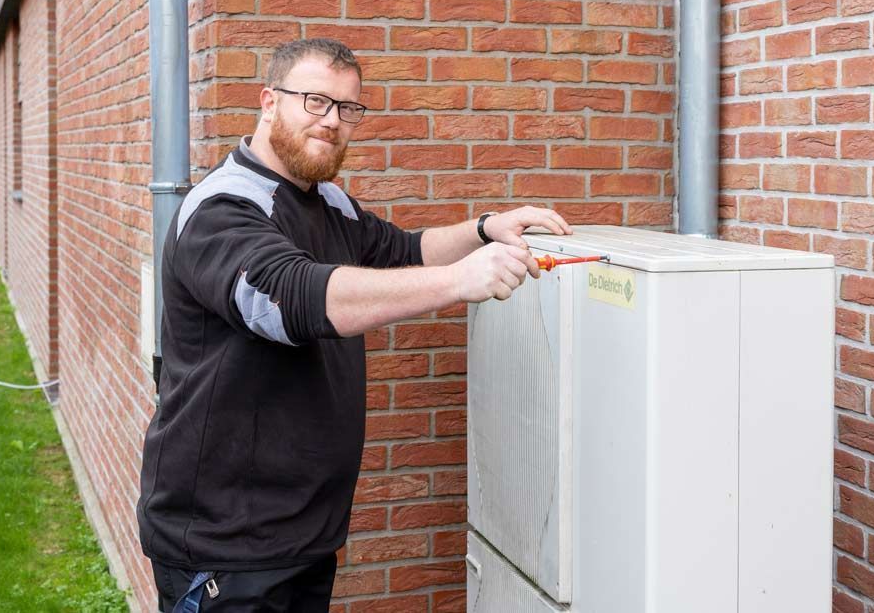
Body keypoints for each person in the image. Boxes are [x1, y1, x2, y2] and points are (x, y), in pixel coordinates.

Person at [136, 38, 573, 612]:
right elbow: (294, 299)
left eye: (348, 108)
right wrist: (460, 282)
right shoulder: (222, 207)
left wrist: (487, 228)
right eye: (315, 101)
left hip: (303, 531)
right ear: (269, 101)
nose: (332, 121)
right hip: (225, 541)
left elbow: (403, 251)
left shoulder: (329, 202)